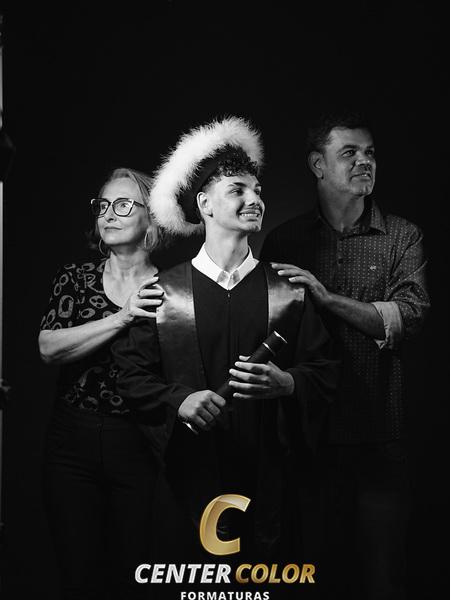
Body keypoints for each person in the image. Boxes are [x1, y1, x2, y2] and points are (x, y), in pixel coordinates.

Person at [112, 117, 339, 567]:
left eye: (257, 190)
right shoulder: (164, 294)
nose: (255, 199)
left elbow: (326, 370)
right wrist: (179, 401)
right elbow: (131, 376)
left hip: (270, 480)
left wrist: (289, 383)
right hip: (190, 480)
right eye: (238, 190)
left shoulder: (289, 291)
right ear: (204, 204)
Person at [260, 110, 430, 599]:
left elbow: (409, 317)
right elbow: (269, 329)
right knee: (309, 575)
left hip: (380, 436)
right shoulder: (285, 241)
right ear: (318, 165)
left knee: (382, 579)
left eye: (370, 153)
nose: (364, 162)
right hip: (308, 439)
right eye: (349, 153)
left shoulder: (402, 236)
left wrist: (327, 298)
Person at [38, 167, 165, 600]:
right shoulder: (75, 278)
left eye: (124, 205)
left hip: (137, 445)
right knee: (78, 576)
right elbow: (48, 348)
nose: (109, 214)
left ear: (151, 217)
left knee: (133, 576)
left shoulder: (171, 290)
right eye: (103, 205)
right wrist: (122, 317)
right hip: (70, 443)